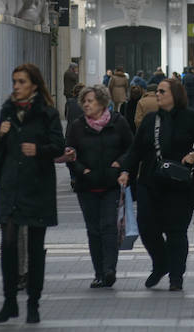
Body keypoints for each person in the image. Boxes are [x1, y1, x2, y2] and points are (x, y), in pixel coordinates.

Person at [117, 77, 194, 291]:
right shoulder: (151, 120)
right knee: (147, 227)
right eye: (157, 91)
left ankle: (176, 277)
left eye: (162, 91)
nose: (157, 94)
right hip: (151, 182)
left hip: (181, 185)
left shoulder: (190, 118)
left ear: (175, 95)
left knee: (176, 231)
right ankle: (161, 264)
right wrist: (125, 171)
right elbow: (136, 150)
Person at [0, 62, 65, 324]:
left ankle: (33, 303)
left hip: (37, 186)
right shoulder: (7, 111)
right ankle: (9, 301)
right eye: (14, 82)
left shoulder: (47, 113)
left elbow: (58, 145)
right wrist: (0, 133)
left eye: (21, 82)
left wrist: (40, 150)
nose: (16, 87)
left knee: (34, 247)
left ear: (34, 84)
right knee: (8, 243)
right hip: (11, 185)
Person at [65, 84, 134, 288]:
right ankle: (98, 273)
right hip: (87, 186)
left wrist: (120, 165)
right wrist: (81, 170)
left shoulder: (117, 122)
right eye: (84, 101)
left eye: (90, 101)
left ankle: (109, 269)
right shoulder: (78, 126)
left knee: (108, 227)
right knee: (93, 230)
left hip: (111, 184)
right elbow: (69, 152)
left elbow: (130, 148)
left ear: (102, 103)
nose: (86, 105)